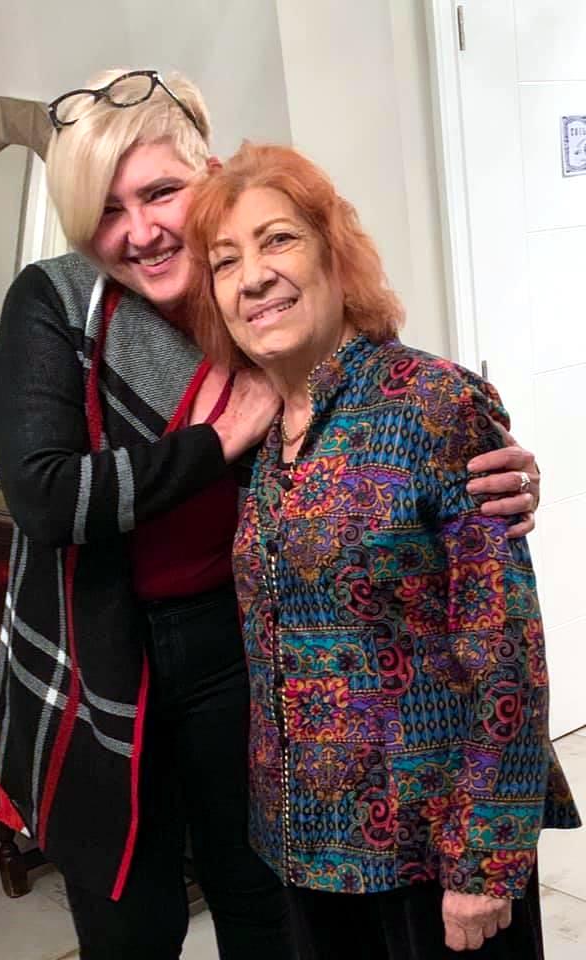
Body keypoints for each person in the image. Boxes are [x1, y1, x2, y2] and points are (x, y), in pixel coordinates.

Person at [0, 69, 542, 959]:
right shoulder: (63, 303)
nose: (139, 230)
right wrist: (217, 441)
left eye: (160, 193)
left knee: (257, 906)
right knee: (131, 921)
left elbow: (405, 463)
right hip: (105, 650)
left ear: (206, 177)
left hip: (244, 652)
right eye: (107, 211)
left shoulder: (293, 342)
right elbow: (44, 496)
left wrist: (488, 476)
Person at [184, 141, 580, 959]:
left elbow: (506, 648)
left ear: (335, 254)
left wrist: (485, 862)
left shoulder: (433, 403)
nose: (252, 276)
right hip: (306, 846)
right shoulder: (263, 436)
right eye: (225, 261)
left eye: (278, 239)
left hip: (431, 857)